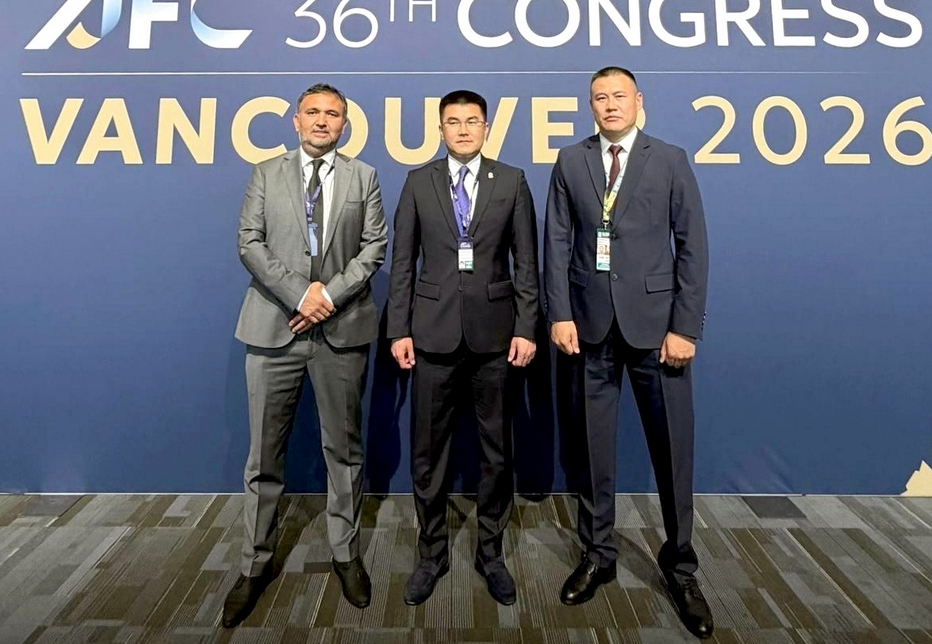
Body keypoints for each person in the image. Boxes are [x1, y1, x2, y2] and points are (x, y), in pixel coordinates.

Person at [543, 67, 713, 638]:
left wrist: (685, 327)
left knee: (673, 453)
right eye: (600, 97)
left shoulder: (670, 159)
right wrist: (560, 313)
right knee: (594, 452)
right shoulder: (571, 161)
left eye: (619, 96)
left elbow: (692, 247)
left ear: (638, 101)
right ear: (590, 105)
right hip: (589, 327)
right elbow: (557, 242)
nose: (610, 104)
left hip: (658, 332)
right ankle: (599, 554)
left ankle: (681, 568)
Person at [224, 83, 388, 626]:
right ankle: (254, 564)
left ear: (344, 124)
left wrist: (327, 298)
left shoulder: (364, 176)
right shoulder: (266, 173)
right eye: (313, 112)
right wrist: (300, 295)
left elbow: (374, 248)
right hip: (275, 327)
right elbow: (249, 243)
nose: (322, 121)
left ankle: (346, 554)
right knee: (263, 457)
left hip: (341, 329)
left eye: (332, 114)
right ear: (295, 121)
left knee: (344, 450)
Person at [387, 89, 540, 606]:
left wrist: (526, 328)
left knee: (497, 452)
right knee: (428, 454)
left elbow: (526, 264)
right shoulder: (418, 182)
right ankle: (431, 553)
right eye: (453, 122)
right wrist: (399, 330)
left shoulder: (512, 181)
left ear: (486, 128)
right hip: (431, 336)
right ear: (440, 129)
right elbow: (403, 263)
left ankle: (490, 553)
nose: (463, 130)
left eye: (472, 121)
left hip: (495, 338)